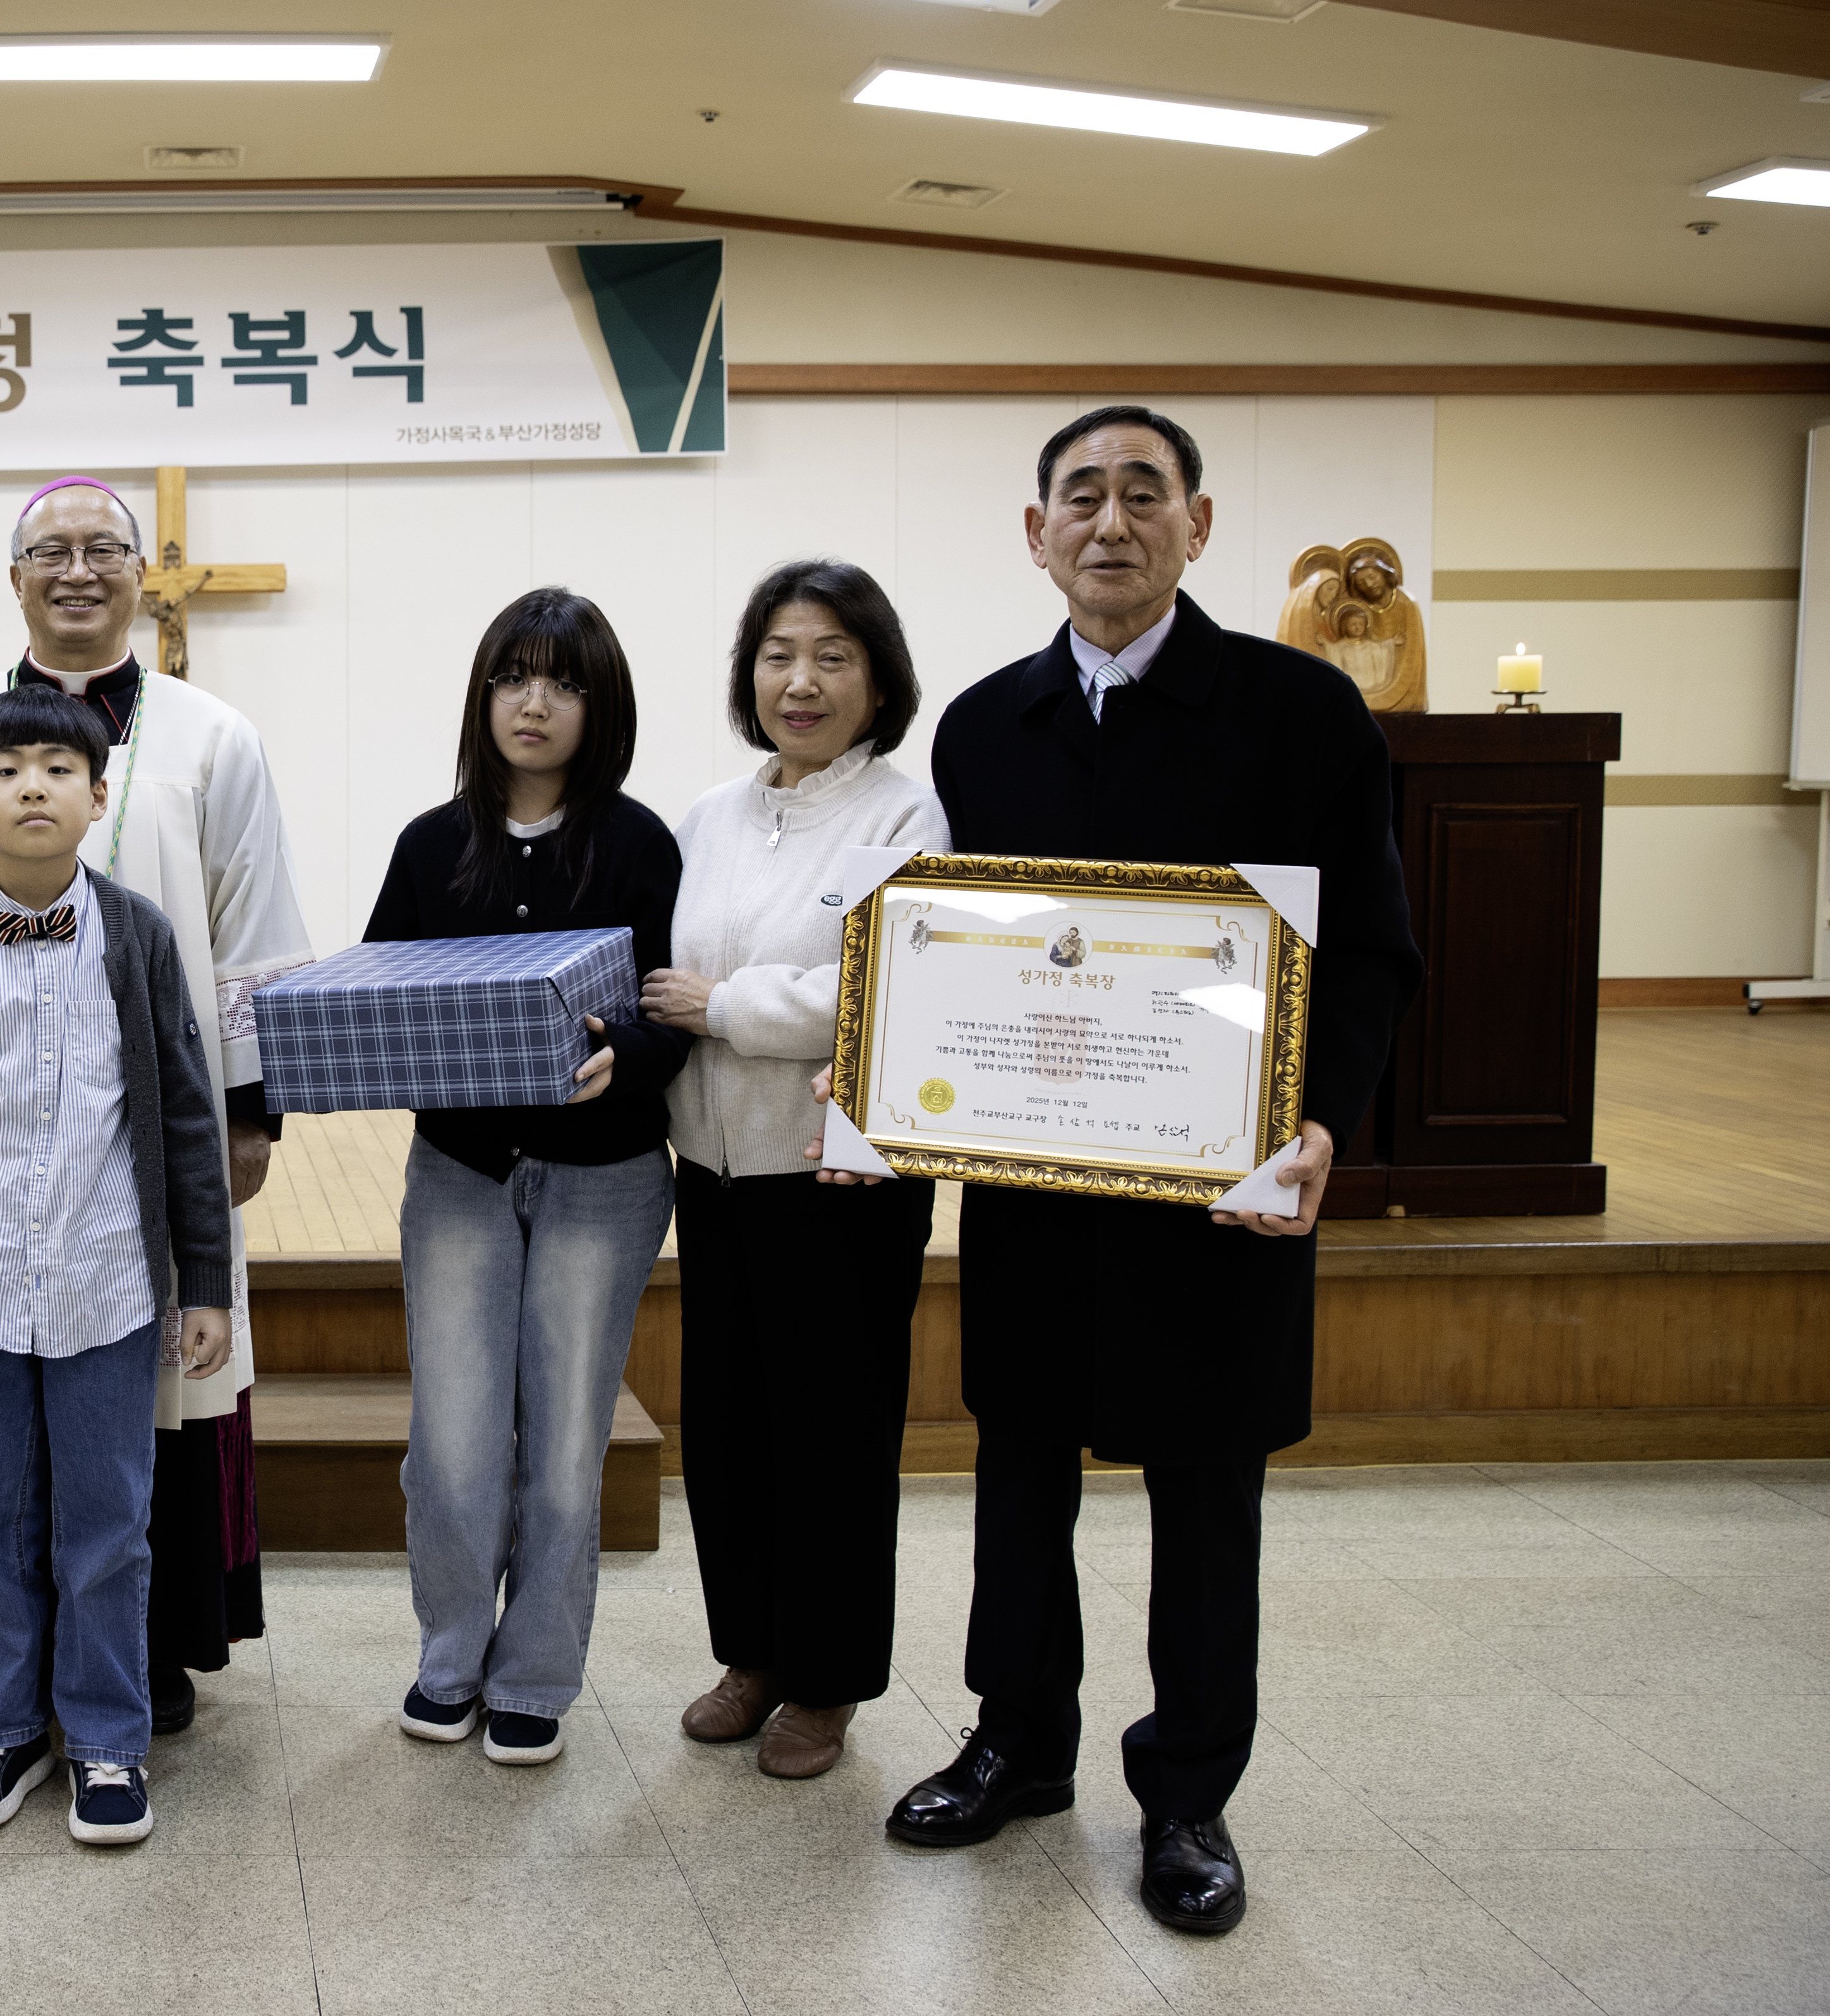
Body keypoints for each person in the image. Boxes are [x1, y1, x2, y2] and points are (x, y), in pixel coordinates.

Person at [857, 406, 1419, 1936]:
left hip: (1218, 1183)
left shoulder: (1302, 715)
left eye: (1141, 494)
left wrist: (1318, 1121)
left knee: (1203, 1490)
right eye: (1079, 498)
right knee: (1017, 1469)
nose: (1109, 522)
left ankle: (1185, 1795)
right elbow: (947, 964)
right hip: (1039, 1185)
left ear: (1199, 523)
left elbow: (1366, 947)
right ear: (1032, 533)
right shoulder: (979, 727)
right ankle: (1015, 1743)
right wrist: (887, 1105)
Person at [0, 476, 312, 1729]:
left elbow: (254, 932)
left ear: (138, 574)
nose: (76, 570)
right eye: (48, 552)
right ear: (14, 580)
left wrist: (249, 1109)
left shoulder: (213, 739)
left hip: (144, 1161)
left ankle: (143, 1656)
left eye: (101, 550)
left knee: (149, 1388)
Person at [0, 685, 235, 1847]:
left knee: (108, 1522)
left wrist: (208, 1280)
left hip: (107, 1283)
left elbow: (184, 1114)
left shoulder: (137, 931)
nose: (34, 785)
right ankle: (0, 1723)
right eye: (8, 770)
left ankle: (110, 1738)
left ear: (97, 794)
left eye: (57, 768)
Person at [365, 588, 686, 1765]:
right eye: (512, 676)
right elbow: (379, 1008)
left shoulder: (644, 843)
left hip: (602, 1181)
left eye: (562, 681)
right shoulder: (428, 844)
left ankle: (537, 1673)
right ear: (482, 695)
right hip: (457, 1172)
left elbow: (670, 1016)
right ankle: (449, 1653)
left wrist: (622, 1052)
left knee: (563, 1441)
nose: (534, 702)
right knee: (449, 1438)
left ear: (598, 706)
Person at [641, 559, 946, 1784]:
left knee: (832, 1436)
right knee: (728, 1430)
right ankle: (752, 1654)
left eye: (831, 656)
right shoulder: (708, 816)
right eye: (778, 654)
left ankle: (827, 1682)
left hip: (837, 1183)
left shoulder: (904, 817)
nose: (800, 681)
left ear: (878, 681)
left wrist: (726, 1009)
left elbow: (893, 983)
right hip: (710, 1175)